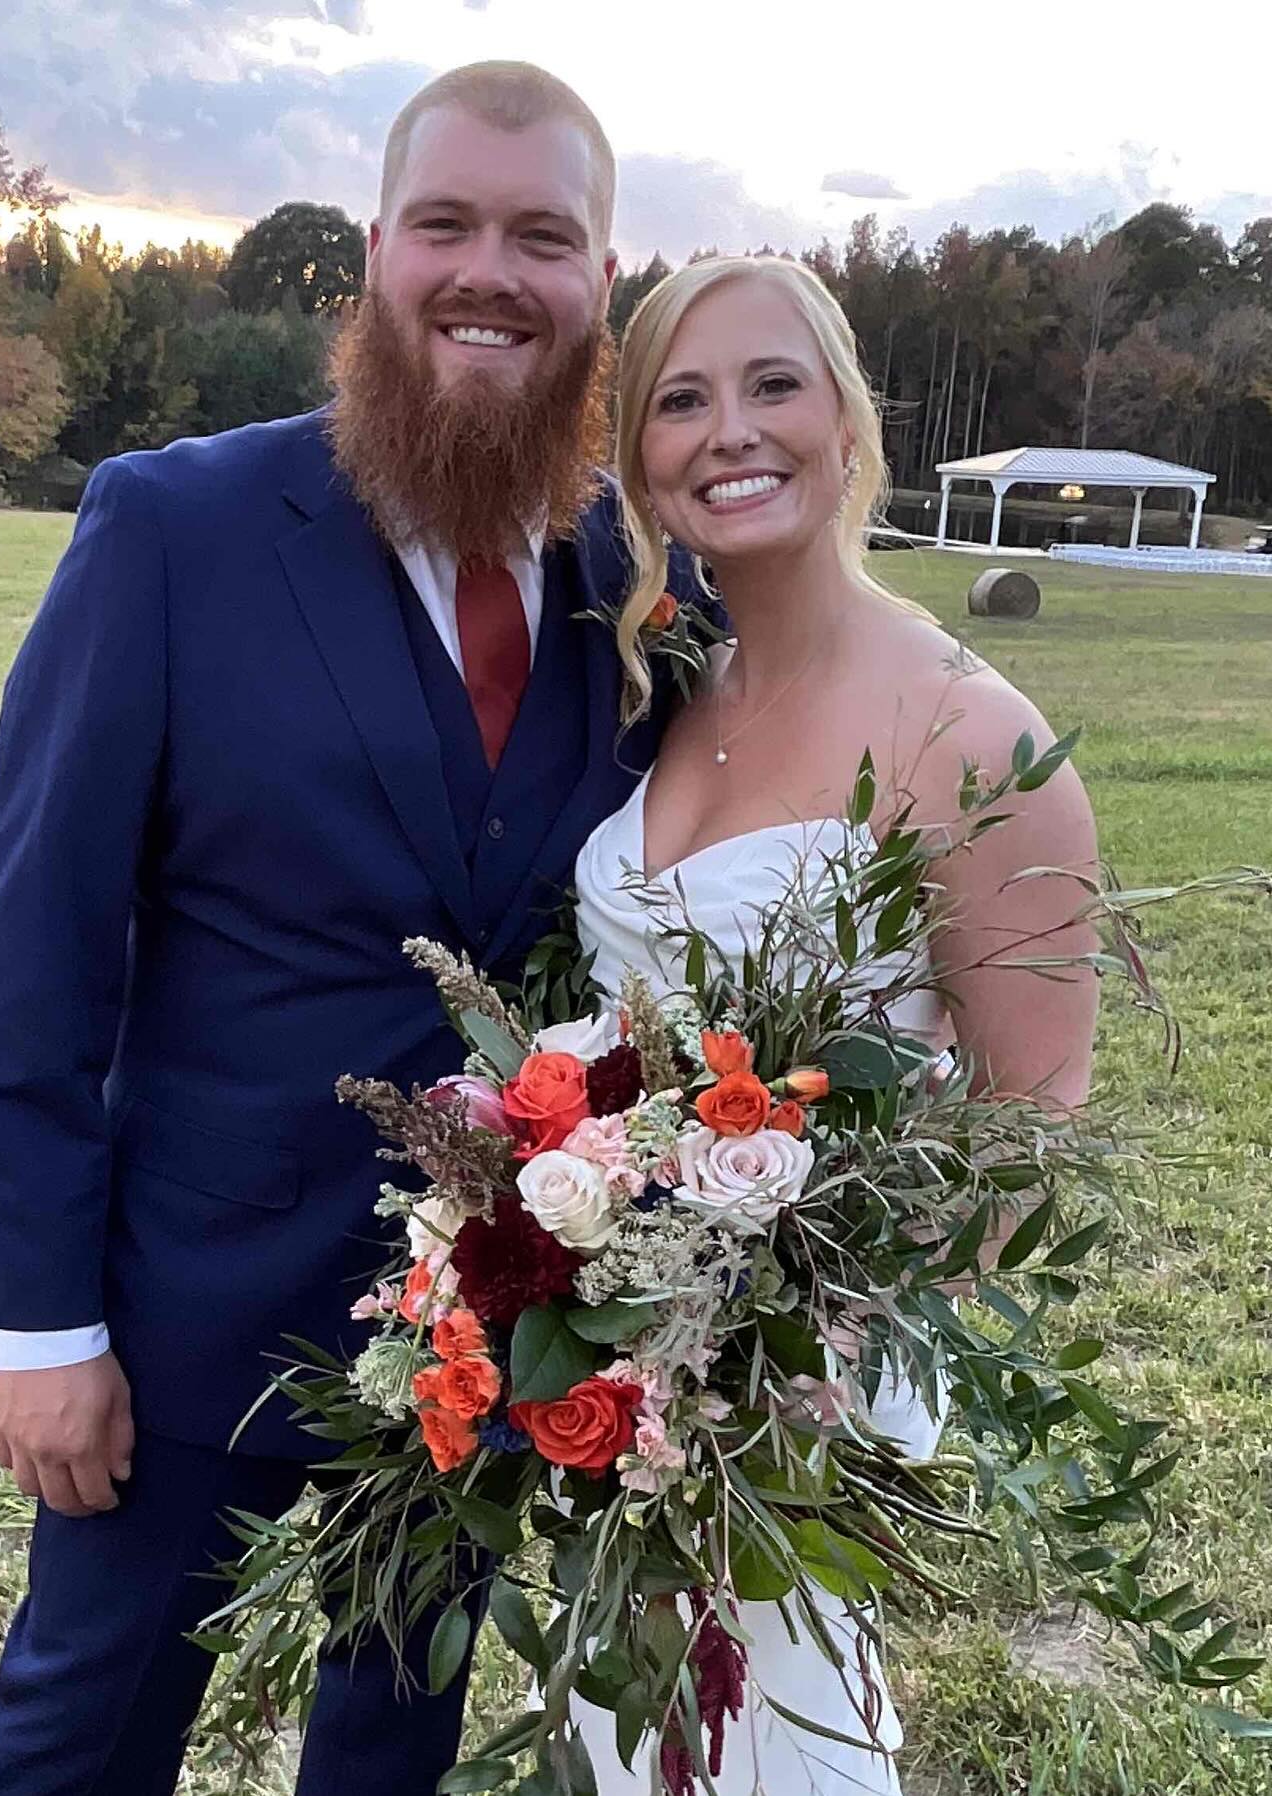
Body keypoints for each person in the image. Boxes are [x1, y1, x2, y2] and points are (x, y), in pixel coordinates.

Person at [0, 61, 696, 1796]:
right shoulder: (176, 526)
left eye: (542, 237)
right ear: (373, 253)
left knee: (391, 1748)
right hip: (176, 1319)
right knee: (81, 1735)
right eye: (444, 223)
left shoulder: (645, 587)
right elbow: (33, 954)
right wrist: (42, 1329)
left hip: (495, 1329)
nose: (486, 274)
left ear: (601, 278)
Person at [572, 255, 1101, 1793]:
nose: (729, 431)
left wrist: (816, 1331)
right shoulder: (676, 686)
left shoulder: (974, 734)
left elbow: (1036, 1112)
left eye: (772, 385)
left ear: (849, 419)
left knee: (778, 1749)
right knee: (635, 1734)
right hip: (629, 1364)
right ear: (643, 463)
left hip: (797, 1396)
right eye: (681, 400)